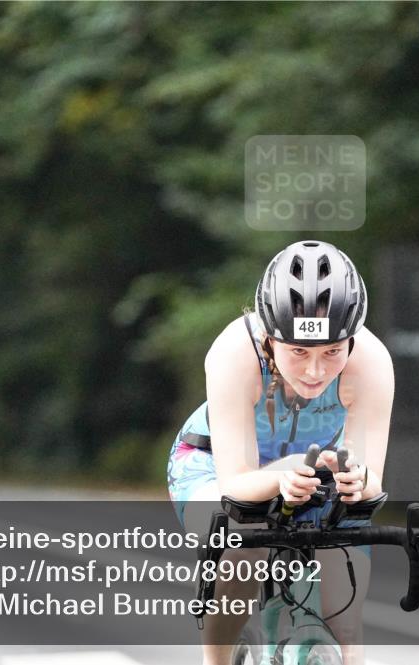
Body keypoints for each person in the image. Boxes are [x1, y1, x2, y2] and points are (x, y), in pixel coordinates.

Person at [166, 240, 394, 665]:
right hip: (211, 465)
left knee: (345, 608)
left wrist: (357, 482)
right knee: (244, 546)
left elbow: (370, 481)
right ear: (270, 339)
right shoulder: (234, 352)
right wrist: (281, 473)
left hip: (313, 475)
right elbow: (235, 483)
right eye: (298, 352)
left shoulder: (373, 361)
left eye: (331, 352)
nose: (315, 370)